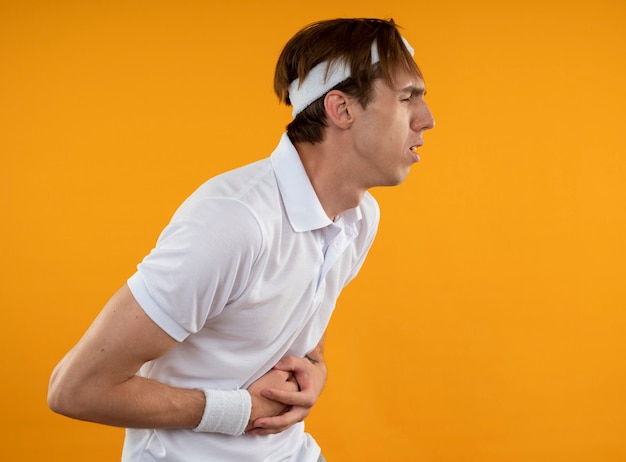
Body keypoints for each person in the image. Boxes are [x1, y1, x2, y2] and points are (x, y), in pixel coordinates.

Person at [48, 17, 435, 462]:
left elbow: (298, 328)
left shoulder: (357, 216)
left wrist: (314, 369)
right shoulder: (234, 222)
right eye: (408, 99)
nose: (427, 120)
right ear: (341, 109)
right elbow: (75, 389)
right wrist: (238, 411)